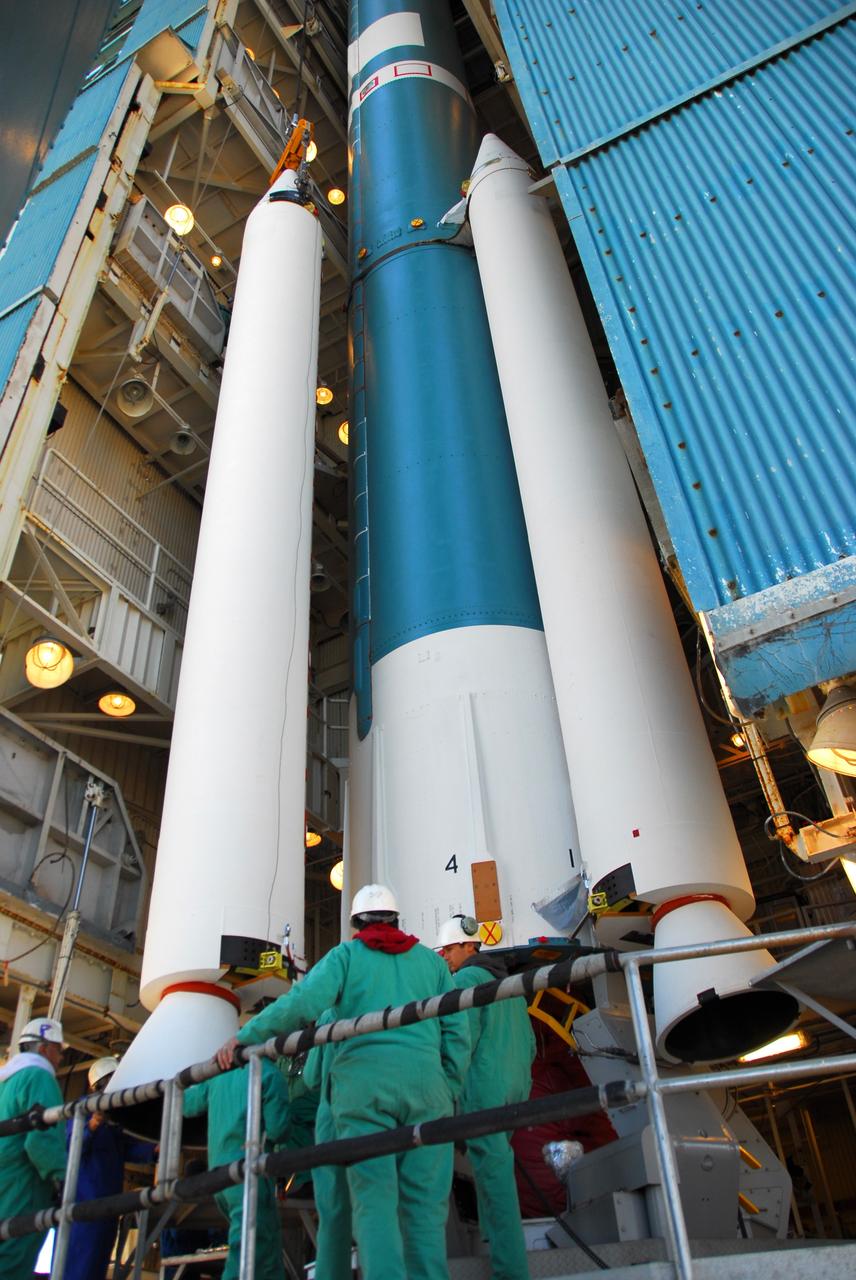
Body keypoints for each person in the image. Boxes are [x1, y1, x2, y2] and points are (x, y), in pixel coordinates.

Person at [216, 884, 471, 1280]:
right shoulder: (432, 964)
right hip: (428, 1092)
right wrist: (447, 1085)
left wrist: (248, 1036)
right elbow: (458, 1028)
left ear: (355, 924)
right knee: (425, 1212)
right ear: (397, 920)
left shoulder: (347, 956)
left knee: (374, 1205)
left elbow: (301, 1004)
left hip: (364, 1094)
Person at [436, 914, 535, 1280]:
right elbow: (530, 1043)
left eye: (449, 948)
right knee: (494, 1168)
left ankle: (510, 1269)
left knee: (493, 1175)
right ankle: (491, 1242)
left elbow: (463, 1038)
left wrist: (447, 1089)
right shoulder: (507, 983)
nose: (444, 955)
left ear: (469, 946)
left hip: (484, 1091)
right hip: (514, 1089)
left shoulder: (465, 980)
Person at [184, 1053, 291, 1280]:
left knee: (268, 1252)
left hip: (219, 1177)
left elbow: (188, 1105)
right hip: (248, 1175)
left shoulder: (219, 1075)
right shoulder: (270, 1073)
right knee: (245, 1254)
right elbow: (279, 1129)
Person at [63, 1056, 157, 1280]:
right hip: (84, 1207)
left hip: (109, 1207)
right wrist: (93, 1125)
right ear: (99, 1086)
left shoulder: (115, 1117)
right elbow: (70, 1147)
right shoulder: (83, 1110)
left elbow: (125, 1149)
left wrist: (154, 1151)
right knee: (78, 1267)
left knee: (97, 1263)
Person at [0, 1017, 67, 1279]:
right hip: (24, 1185)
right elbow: (41, 1140)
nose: (61, 1058)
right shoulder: (40, 1077)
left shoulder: (6, 1080)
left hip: (4, 1181)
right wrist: (62, 1179)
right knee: (13, 1260)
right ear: (43, 1049)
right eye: (58, 1050)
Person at [301, 1010, 353, 1279]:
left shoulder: (329, 1014)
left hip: (333, 1118)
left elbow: (311, 1077)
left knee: (334, 1215)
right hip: (378, 1113)